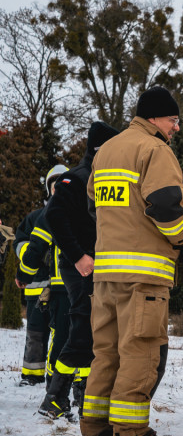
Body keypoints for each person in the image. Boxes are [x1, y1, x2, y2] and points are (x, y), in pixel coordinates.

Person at [82, 86, 183, 436]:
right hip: (143, 275)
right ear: (155, 118)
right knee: (140, 350)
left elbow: (92, 207)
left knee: (106, 351)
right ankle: (130, 432)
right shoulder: (154, 149)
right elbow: (165, 206)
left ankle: (94, 426)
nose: (176, 128)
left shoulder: (108, 151)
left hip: (106, 275)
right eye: (173, 120)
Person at [37, 122, 120, 420]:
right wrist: (78, 257)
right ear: (101, 149)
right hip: (80, 268)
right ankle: (56, 397)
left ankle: (82, 395)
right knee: (83, 324)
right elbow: (54, 216)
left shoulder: (102, 178)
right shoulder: (77, 178)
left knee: (91, 329)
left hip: (100, 266)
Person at [14, 165, 67, 387]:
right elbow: (19, 242)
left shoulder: (71, 217)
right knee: (35, 333)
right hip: (35, 285)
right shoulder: (35, 217)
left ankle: (55, 377)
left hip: (59, 287)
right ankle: (31, 375)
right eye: (55, 185)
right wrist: (34, 256)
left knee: (60, 332)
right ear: (49, 188)